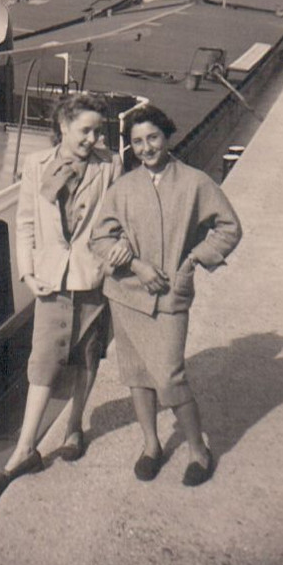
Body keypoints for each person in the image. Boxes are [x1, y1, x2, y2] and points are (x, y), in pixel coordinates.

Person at [90, 103, 242, 486]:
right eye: (137, 141)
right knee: (137, 375)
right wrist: (134, 264)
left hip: (170, 297)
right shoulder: (122, 188)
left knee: (171, 377)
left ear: (167, 135)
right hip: (125, 294)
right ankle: (151, 446)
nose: (146, 148)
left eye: (152, 138)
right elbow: (99, 237)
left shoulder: (195, 182)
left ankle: (197, 450)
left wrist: (192, 260)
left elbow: (229, 227)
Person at [3, 93, 130, 480]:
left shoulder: (111, 165)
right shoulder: (36, 164)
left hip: (92, 276)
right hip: (51, 280)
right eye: (85, 130)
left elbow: (120, 217)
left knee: (87, 356)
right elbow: (25, 223)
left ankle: (74, 426)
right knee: (44, 360)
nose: (93, 139)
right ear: (63, 126)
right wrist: (27, 273)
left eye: (98, 131)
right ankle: (26, 447)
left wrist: (122, 244)